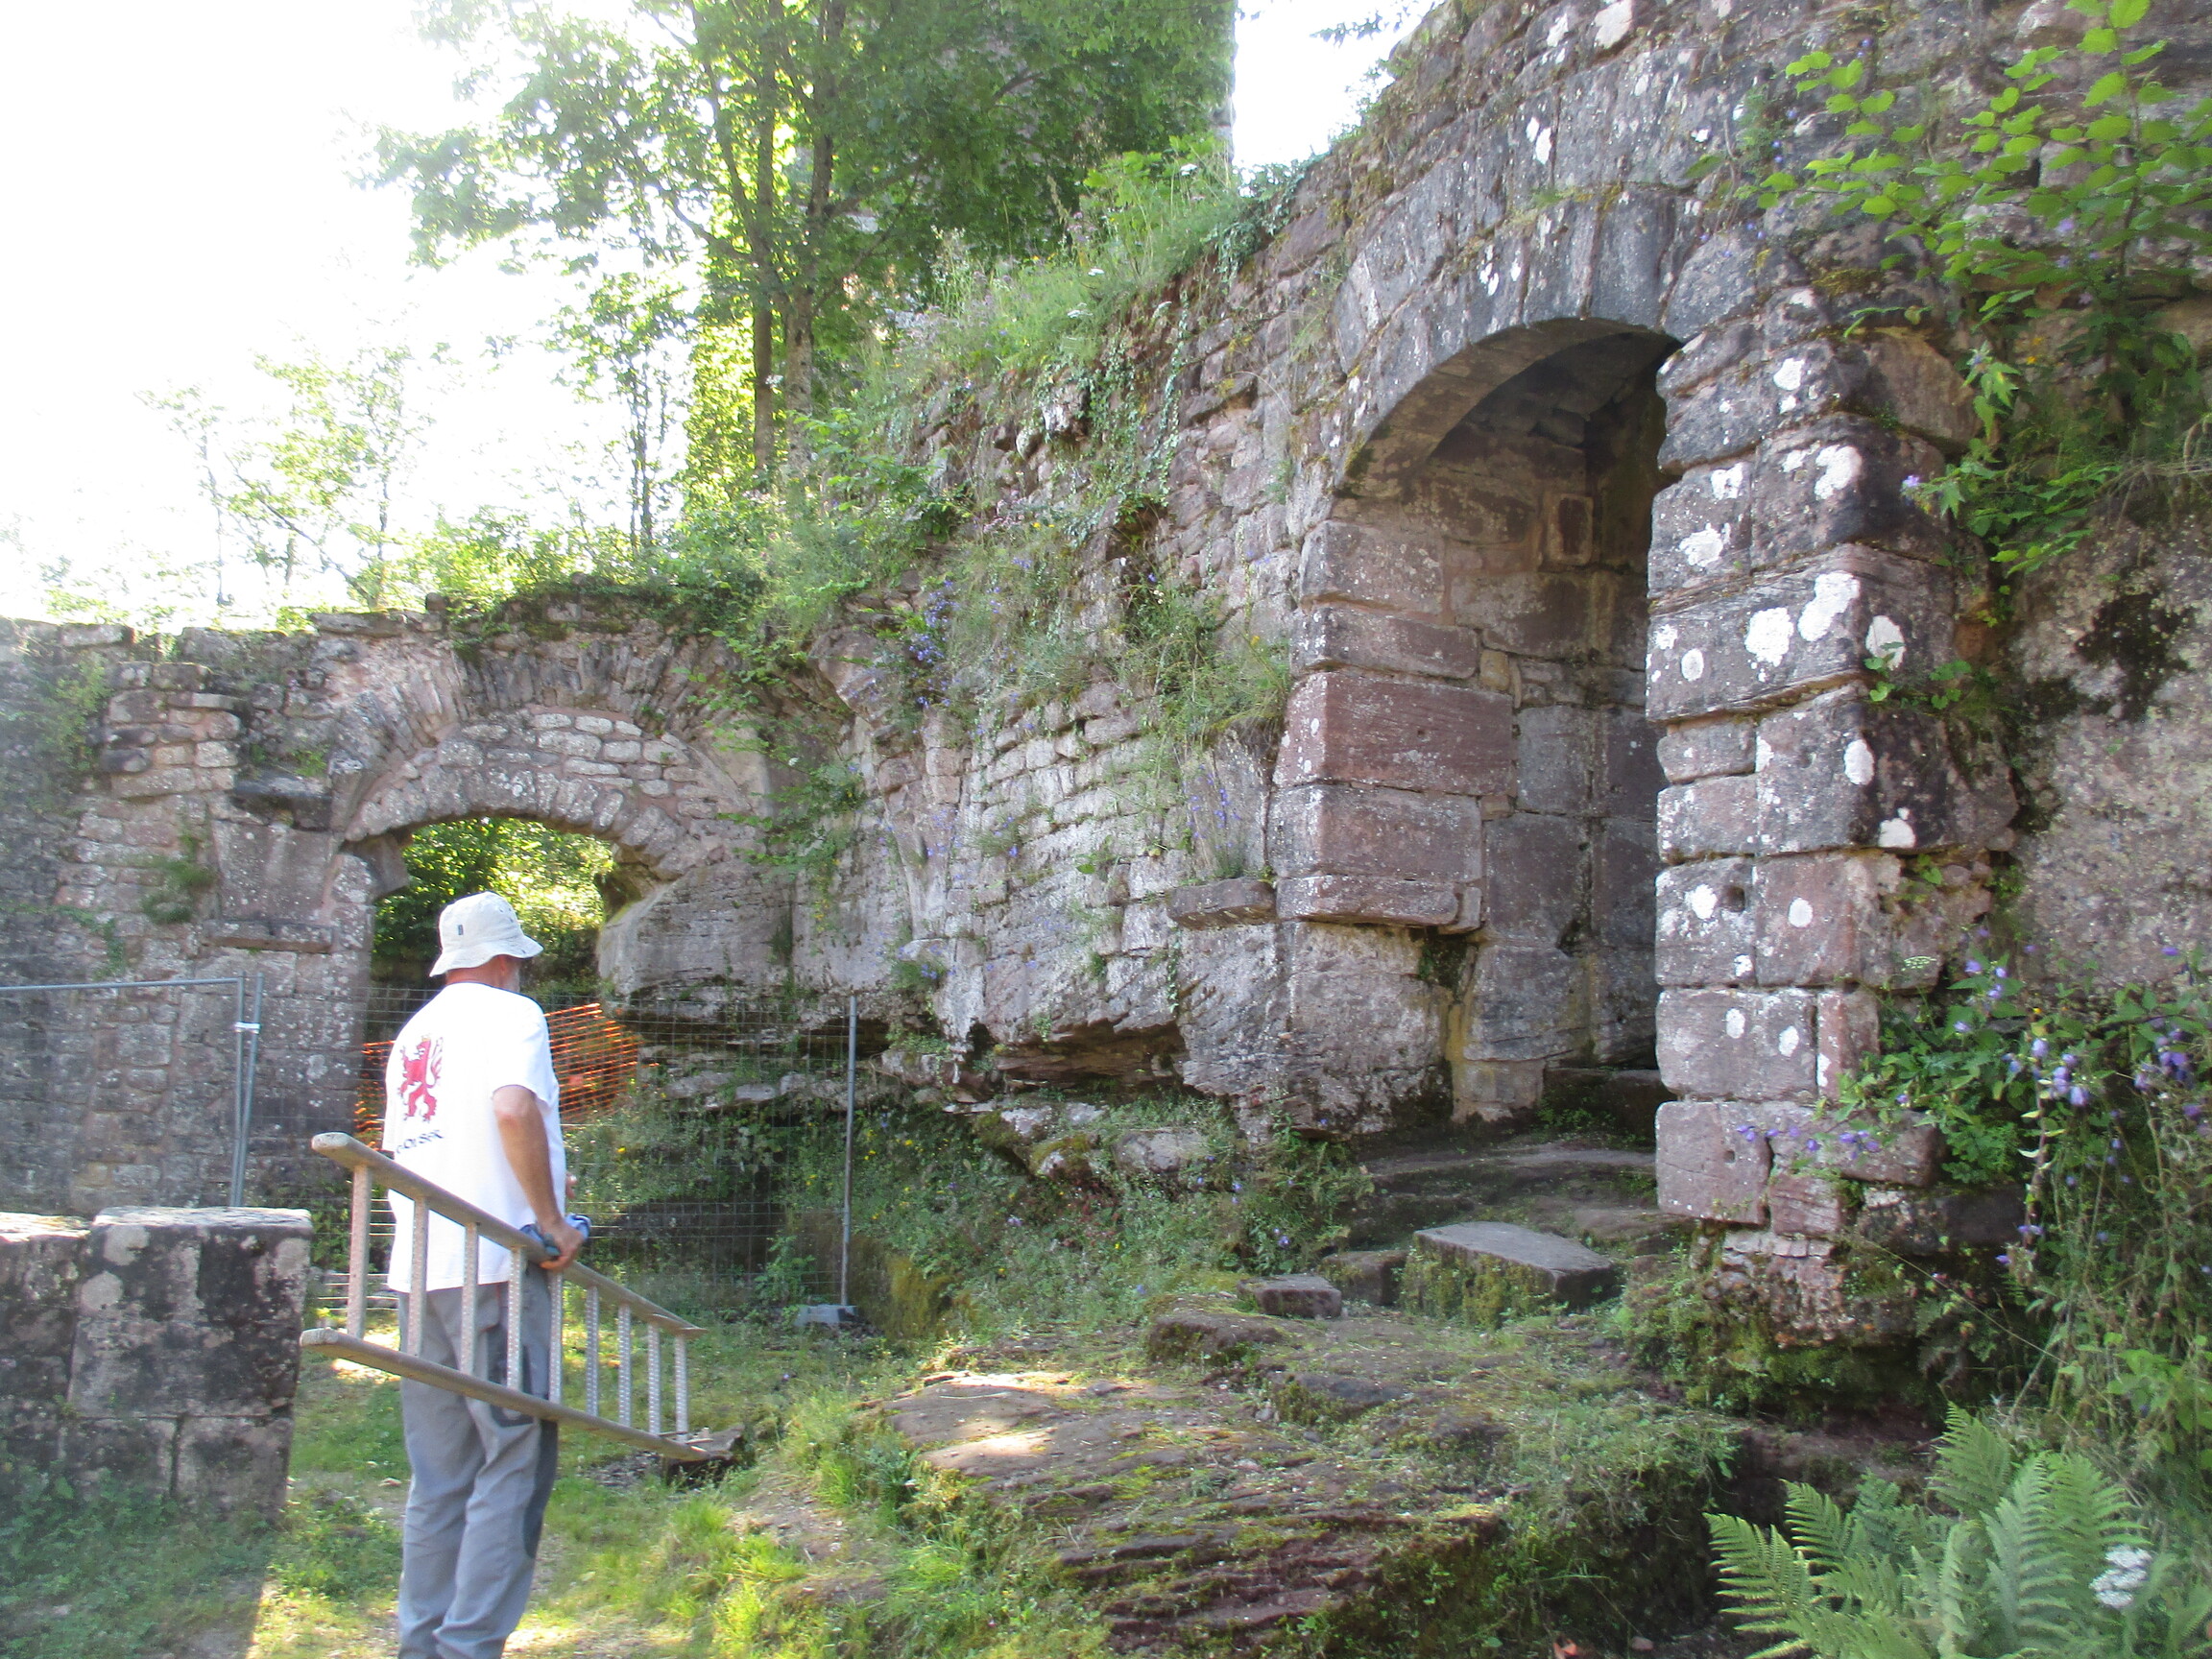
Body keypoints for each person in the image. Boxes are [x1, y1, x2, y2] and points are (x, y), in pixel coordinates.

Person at [381, 890, 586, 1659]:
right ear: (504, 960)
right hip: (493, 1267)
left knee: (440, 1476)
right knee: (514, 1456)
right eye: (519, 961)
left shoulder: (415, 1033)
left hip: (417, 1272)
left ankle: (422, 1642)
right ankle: (468, 1648)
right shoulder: (512, 1014)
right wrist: (551, 1220)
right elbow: (510, 1110)